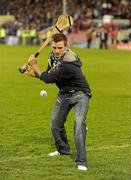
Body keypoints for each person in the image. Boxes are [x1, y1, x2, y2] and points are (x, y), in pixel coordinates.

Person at [26, 33, 92, 171]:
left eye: (60, 48)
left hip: (80, 94)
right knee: (55, 125)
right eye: (54, 47)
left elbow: (48, 79)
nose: (56, 51)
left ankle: (82, 161)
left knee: (79, 123)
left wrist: (34, 64)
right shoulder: (53, 56)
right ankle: (63, 150)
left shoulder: (69, 61)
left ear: (66, 46)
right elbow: (48, 75)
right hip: (63, 95)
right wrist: (30, 72)